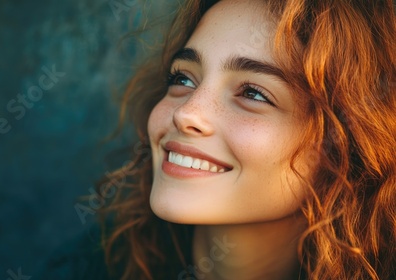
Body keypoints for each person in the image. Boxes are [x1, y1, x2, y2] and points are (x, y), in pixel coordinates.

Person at [35, 0, 395, 279]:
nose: (186, 113)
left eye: (253, 93)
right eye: (184, 79)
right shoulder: (89, 266)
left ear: (348, 143)